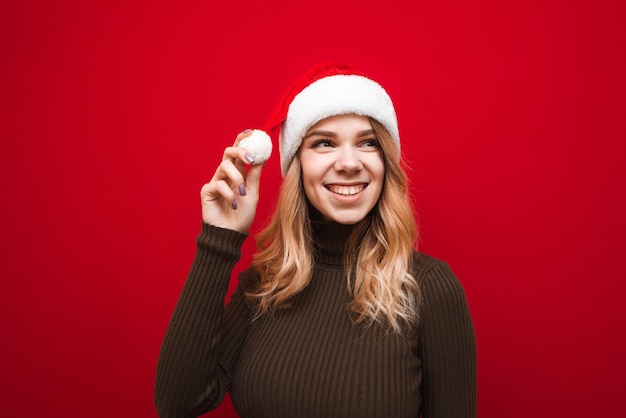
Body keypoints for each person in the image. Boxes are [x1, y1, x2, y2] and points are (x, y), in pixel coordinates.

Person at [155, 62, 476, 418]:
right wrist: (220, 239)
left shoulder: (429, 288)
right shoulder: (264, 286)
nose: (349, 162)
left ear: (386, 162)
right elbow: (178, 402)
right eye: (324, 143)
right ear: (297, 166)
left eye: (368, 143)